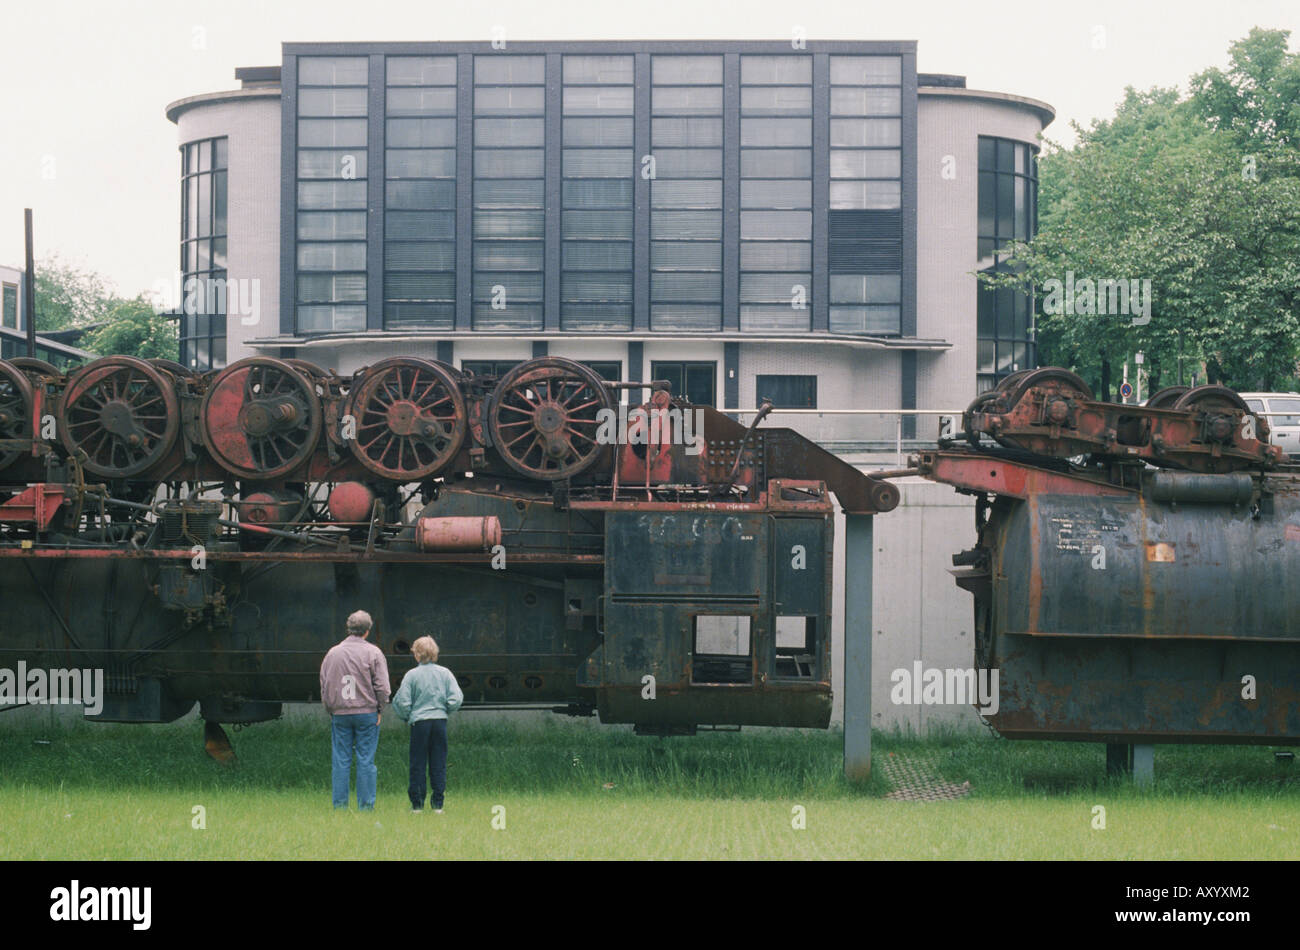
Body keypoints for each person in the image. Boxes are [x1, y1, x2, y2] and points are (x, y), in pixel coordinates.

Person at [320, 610, 391, 810]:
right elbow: (383, 687)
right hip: (366, 712)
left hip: (340, 713)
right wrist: (380, 708)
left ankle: (340, 805)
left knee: (341, 760)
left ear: (348, 628)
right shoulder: (374, 653)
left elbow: (325, 686)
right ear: (368, 631)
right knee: (366, 760)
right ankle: (366, 806)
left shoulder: (333, 653)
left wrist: (330, 709)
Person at [391, 636, 463, 813]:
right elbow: (456, 698)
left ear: (416, 655)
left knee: (418, 763)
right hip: (439, 722)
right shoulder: (445, 673)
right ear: (434, 653)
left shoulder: (411, 675)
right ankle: (438, 804)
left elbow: (402, 702)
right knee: (438, 762)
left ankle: (417, 805)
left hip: (419, 724)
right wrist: (444, 710)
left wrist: (408, 717)